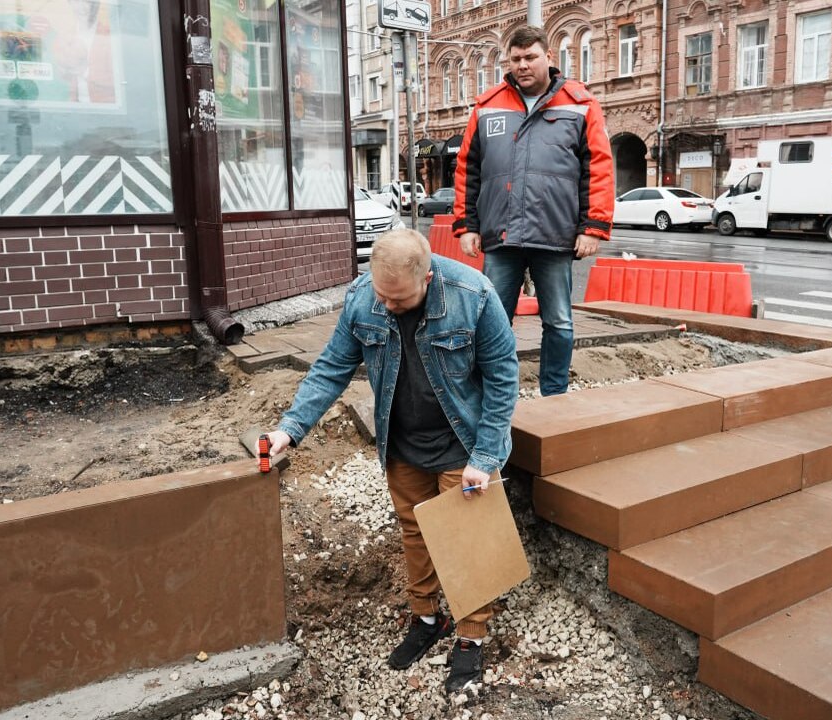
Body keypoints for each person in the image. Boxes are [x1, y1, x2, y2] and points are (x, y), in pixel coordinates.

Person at [260, 229, 519, 693]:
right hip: (403, 443)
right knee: (415, 532)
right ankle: (427, 618)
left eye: (399, 299)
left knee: (468, 538)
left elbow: (503, 377)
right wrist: (290, 428)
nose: (387, 305)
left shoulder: (474, 295)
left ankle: (471, 636)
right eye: (382, 295)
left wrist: (484, 456)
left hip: (463, 443)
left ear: (427, 277)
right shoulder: (364, 297)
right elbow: (331, 368)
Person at [452, 24, 615, 397]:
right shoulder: (487, 106)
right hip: (501, 233)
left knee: (558, 321)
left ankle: (554, 395)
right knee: (491, 321)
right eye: (516, 58)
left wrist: (593, 226)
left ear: (548, 57)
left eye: (530, 57)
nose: (522, 65)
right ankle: (492, 393)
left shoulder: (580, 103)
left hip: (554, 233)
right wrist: (467, 225)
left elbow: (599, 167)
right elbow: (467, 169)